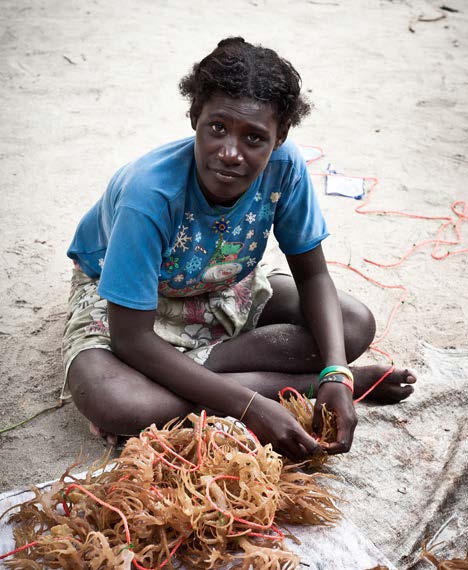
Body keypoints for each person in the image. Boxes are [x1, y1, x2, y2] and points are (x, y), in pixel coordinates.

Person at [63, 37, 415, 461]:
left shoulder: (285, 169)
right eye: (217, 128)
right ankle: (298, 387)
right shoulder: (150, 194)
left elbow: (314, 275)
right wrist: (250, 407)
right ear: (195, 117)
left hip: (221, 280)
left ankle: (219, 380)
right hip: (132, 303)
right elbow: (130, 338)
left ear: (279, 138)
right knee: (114, 400)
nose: (230, 152)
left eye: (254, 138)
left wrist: (336, 375)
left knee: (352, 323)